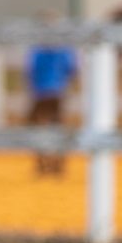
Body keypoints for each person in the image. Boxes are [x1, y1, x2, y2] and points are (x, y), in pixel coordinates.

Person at [25, 14, 78, 175]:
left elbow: (30, 70)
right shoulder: (65, 50)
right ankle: (58, 165)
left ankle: (42, 164)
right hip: (59, 92)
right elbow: (72, 69)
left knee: (37, 127)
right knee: (59, 127)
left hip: (40, 93)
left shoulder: (37, 50)